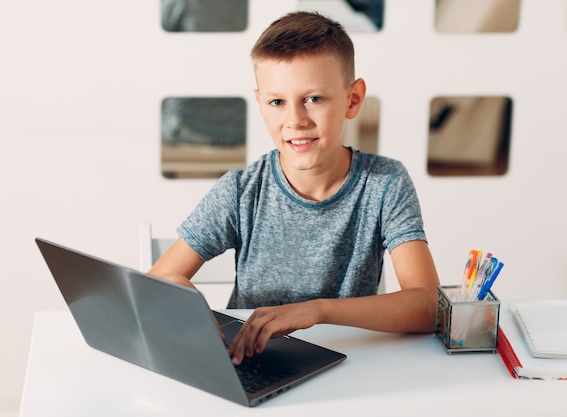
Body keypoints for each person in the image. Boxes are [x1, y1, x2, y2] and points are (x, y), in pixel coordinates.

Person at [149, 11, 440, 365]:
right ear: (260, 104)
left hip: (350, 364)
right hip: (254, 362)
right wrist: (187, 304)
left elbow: (427, 307)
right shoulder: (241, 191)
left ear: (353, 99)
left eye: (314, 98)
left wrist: (315, 311)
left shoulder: (385, 183)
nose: (296, 120)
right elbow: (161, 277)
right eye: (277, 102)